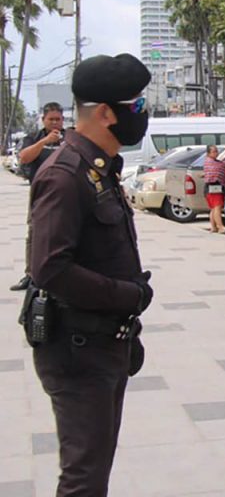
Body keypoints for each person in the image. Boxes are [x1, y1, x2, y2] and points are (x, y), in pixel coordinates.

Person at [27, 53, 155, 496]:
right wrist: (126, 295)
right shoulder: (66, 175)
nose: (143, 113)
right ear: (105, 113)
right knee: (84, 479)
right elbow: (49, 267)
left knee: (93, 471)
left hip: (103, 342)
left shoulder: (99, 169)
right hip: (78, 349)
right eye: (136, 105)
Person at [9, 102, 66, 291]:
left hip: (66, 193)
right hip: (41, 193)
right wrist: (45, 141)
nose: (55, 123)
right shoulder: (34, 138)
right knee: (34, 234)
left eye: (58, 119)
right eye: (51, 119)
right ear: (43, 120)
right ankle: (30, 275)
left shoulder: (70, 138)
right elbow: (24, 157)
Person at [203, 144, 225, 233]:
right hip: (214, 187)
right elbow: (221, 167)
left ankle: (214, 227)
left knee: (213, 208)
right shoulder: (211, 162)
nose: (216, 153)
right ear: (208, 153)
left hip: (210, 188)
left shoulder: (210, 162)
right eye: (214, 152)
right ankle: (220, 227)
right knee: (217, 207)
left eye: (217, 151)